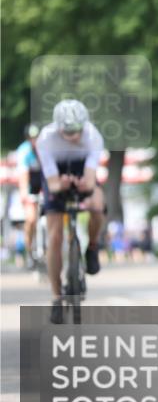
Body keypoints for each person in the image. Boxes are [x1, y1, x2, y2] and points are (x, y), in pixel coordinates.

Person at [36, 100, 107, 324]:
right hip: (55, 175)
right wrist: (61, 184)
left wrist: (83, 185)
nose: (74, 135)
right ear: (58, 127)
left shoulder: (93, 136)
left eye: (77, 130)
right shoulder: (45, 139)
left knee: (97, 206)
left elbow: (90, 180)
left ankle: (93, 246)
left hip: (81, 170)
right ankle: (57, 297)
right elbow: (53, 183)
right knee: (55, 236)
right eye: (68, 131)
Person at [15, 124, 43, 267]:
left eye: (37, 138)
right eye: (32, 138)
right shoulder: (24, 151)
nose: (35, 141)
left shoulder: (45, 149)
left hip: (44, 184)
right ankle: (29, 250)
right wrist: (25, 194)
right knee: (31, 219)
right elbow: (23, 176)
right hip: (30, 186)